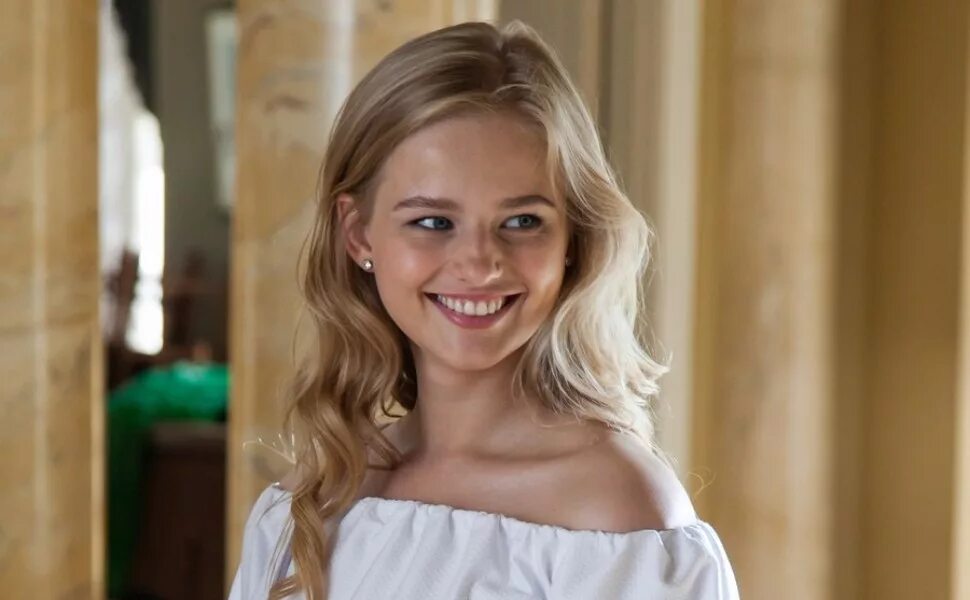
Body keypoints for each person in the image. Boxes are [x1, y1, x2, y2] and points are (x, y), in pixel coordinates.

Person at [228, 20, 739, 600]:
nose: (479, 263)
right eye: (433, 222)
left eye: (522, 221)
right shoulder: (311, 500)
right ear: (358, 233)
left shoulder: (619, 518)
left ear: (572, 238)